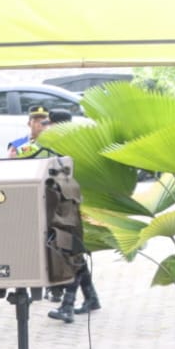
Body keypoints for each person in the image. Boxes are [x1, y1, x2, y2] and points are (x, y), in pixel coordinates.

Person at [29, 108, 101, 322]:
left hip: (69, 203)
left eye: (49, 124)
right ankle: (91, 298)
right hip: (70, 201)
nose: (46, 128)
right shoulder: (69, 142)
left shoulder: (66, 145)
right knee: (73, 250)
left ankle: (67, 306)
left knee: (70, 251)